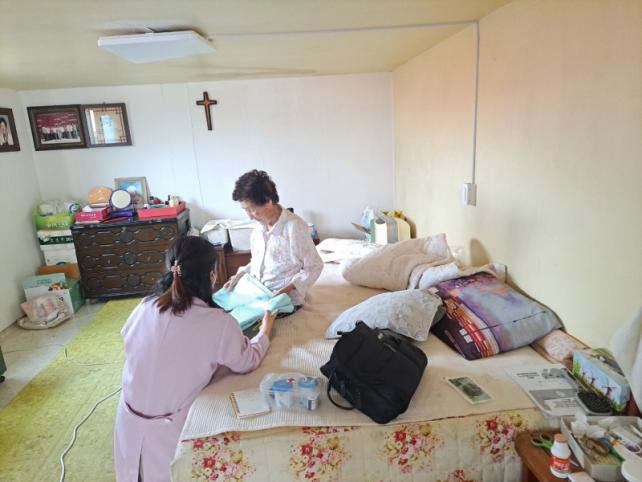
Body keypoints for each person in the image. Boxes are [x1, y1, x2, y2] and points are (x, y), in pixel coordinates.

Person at [114, 236, 277, 482]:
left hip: (128, 418)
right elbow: (247, 361)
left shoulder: (144, 306)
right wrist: (265, 331)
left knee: (132, 474)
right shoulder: (218, 323)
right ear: (211, 274)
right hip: (169, 429)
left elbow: (133, 342)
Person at [225, 170, 323, 307]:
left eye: (251, 209)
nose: (250, 217)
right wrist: (239, 275)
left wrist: (286, 290)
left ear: (268, 201)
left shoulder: (294, 228)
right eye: (245, 210)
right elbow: (259, 263)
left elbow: (314, 267)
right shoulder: (258, 227)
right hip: (258, 293)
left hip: (282, 299)